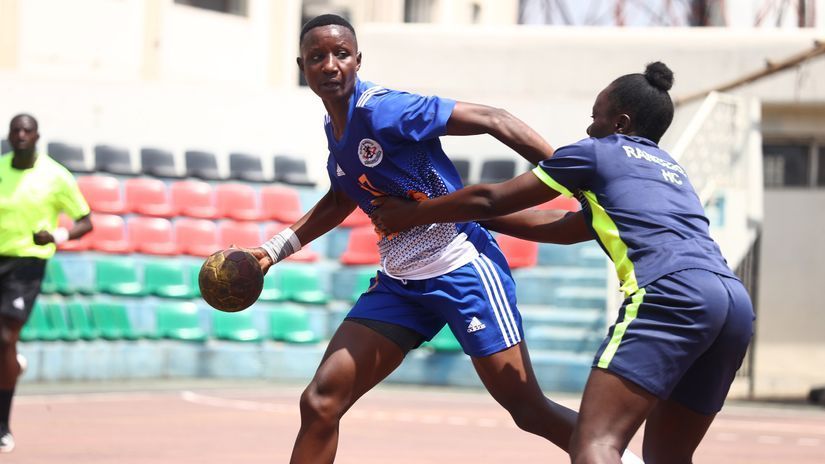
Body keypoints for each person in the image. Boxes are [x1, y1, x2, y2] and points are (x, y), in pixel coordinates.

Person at [244, 13, 643, 464]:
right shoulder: (336, 131)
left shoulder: (384, 109)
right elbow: (341, 198)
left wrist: (578, 178)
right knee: (320, 401)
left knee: (528, 410)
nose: (330, 65)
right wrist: (273, 251)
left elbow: (494, 118)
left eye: (340, 54)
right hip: (401, 283)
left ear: (358, 60)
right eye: (318, 57)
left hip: (461, 266)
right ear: (303, 67)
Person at [371, 61, 755, 463]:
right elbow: (566, 227)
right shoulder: (671, 171)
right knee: (667, 458)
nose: (589, 128)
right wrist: (461, 213)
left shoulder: (597, 152)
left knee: (596, 443)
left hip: (671, 292)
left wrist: (416, 212)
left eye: (595, 118)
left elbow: (492, 198)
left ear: (620, 123)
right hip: (732, 305)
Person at [0, 114, 93, 453]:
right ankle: (12, 362)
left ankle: (2, 426)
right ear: (10, 136)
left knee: (6, 335)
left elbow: (86, 221)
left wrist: (56, 234)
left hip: (27, 263)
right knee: (3, 347)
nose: (21, 135)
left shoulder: (56, 176)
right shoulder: (0, 168)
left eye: (27, 130)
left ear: (37, 135)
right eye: (16, 130)